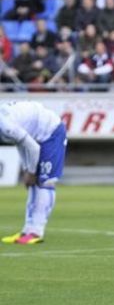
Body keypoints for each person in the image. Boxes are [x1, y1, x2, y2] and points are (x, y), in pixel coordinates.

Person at [1, 101, 67, 245]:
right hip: (34, 136)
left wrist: (30, 172)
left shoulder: (5, 126)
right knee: (33, 184)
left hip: (50, 132)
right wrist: (27, 167)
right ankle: (27, 231)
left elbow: (33, 148)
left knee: (44, 181)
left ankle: (36, 232)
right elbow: (21, 143)